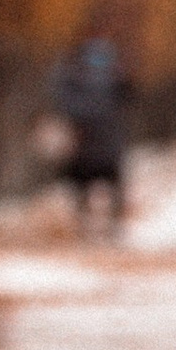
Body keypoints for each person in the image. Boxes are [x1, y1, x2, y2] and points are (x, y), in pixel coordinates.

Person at [49, 28, 131, 229]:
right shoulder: (104, 76)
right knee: (97, 183)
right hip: (93, 140)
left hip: (94, 140)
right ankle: (96, 225)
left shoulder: (76, 76)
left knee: (97, 183)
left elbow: (61, 97)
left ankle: (100, 225)